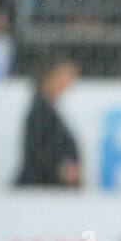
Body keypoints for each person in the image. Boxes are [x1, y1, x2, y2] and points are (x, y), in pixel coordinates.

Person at [16, 56, 81, 188]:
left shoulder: (49, 108)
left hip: (50, 188)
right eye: (65, 76)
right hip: (40, 189)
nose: (68, 82)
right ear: (50, 77)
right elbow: (36, 153)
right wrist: (61, 169)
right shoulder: (39, 111)